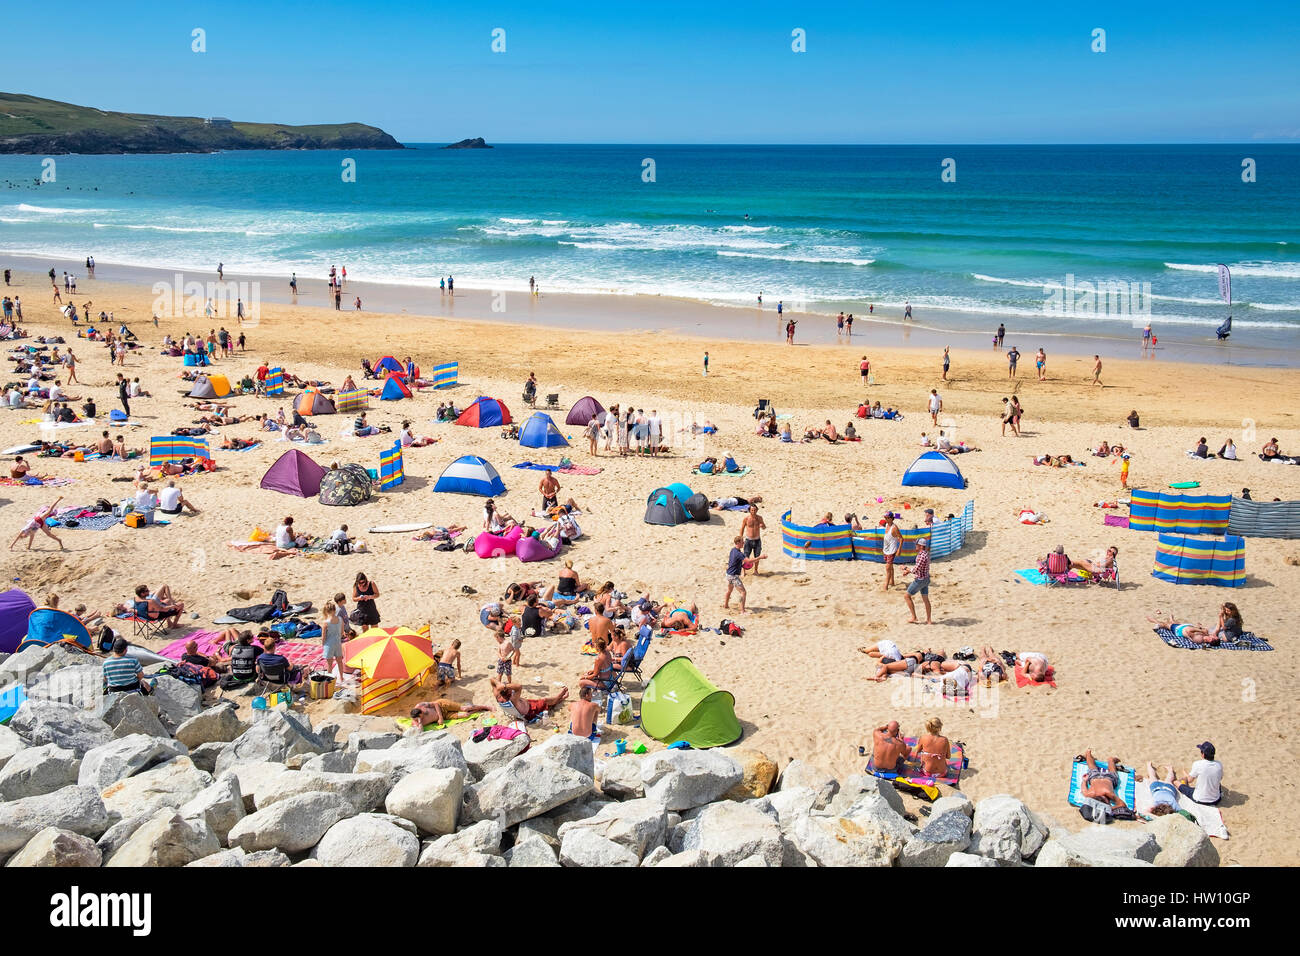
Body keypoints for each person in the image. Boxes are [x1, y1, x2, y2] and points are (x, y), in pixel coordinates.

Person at [491, 676, 569, 723]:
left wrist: (498, 684)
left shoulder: (498, 696)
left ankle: (561, 698)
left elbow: (491, 679)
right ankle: (559, 697)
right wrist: (504, 686)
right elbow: (519, 686)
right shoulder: (513, 699)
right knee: (545, 701)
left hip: (523, 707)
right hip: (531, 711)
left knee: (542, 702)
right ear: (508, 690)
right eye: (509, 687)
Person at [902, 537, 932, 624]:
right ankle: (929, 620)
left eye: (917, 544)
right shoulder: (926, 553)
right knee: (925, 599)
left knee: (906, 596)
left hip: (920, 580)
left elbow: (916, 569)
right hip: (926, 578)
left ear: (920, 546)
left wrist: (905, 568)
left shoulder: (922, 556)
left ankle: (914, 617)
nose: (915, 545)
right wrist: (908, 571)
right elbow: (919, 568)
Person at [410, 697, 489, 728]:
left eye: (423, 713)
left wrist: (440, 718)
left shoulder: (420, 706)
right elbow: (420, 731)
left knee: (465, 708)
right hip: (446, 716)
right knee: (465, 715)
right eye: (422, 715)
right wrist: (420, 721)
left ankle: (485, 706)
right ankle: (478, 709)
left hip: (442, 705)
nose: (423, 714)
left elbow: (435, 703)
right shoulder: (416, 722)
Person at [724, 536, 747, 614]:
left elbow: (733, 561)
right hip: (733, 576)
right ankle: (742, 611)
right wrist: (760, 557)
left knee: (729, 590)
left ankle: (726, 605)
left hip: (728, 574)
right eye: (742, 542)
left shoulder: (733, 550)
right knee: (743, 592)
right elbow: (749, 561)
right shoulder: (739, 554)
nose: (743, 543)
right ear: (738, 543)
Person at [881, 513, 902, 591]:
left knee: (887, 568)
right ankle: (892, 581)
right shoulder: (887, 525)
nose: (885, 519)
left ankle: (885, 586)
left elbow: (901, 538)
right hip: (886, 550)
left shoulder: (894, 527)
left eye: (886, 518)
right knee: (890, 567)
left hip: (891, 551)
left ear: (890, 518)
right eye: (885, 517)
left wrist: (899, 549)